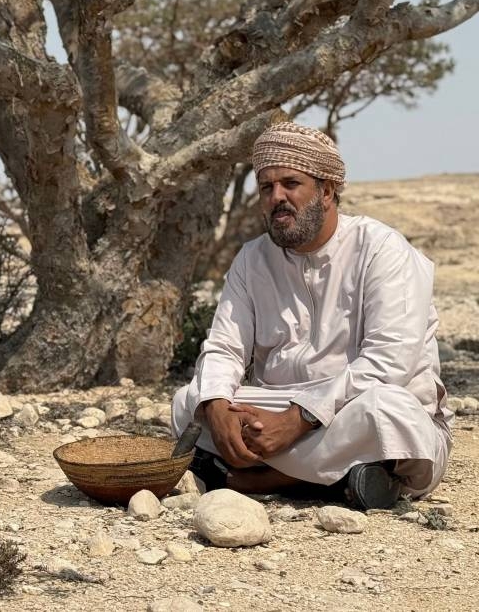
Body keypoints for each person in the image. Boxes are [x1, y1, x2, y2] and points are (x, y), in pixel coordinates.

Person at [170, 121, 452, 509]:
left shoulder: (381, 249)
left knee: (390, 411)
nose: (277, 197)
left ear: (327, 191)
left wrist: (299, 419)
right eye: (266, 187)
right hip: (274, 411)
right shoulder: (253, 259)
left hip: (353, 407)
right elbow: (223, 348)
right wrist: (217, 406)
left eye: (290, 183)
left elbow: (389, 363)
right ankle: (341, 479)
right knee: (188, 401)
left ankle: (261, 477)